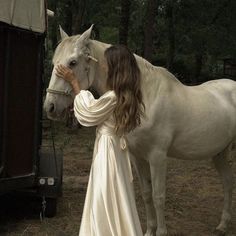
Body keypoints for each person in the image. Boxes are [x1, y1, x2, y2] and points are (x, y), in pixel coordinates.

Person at [56, 45, 145, 236]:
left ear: (116, 67)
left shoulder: (113, 97)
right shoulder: (125, 95)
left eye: (107, 63)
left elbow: (89, 113)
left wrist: (74, 83)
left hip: (109, 152)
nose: (103, 66)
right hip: (116, 151)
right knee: (117, 194)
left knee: (104, 193)